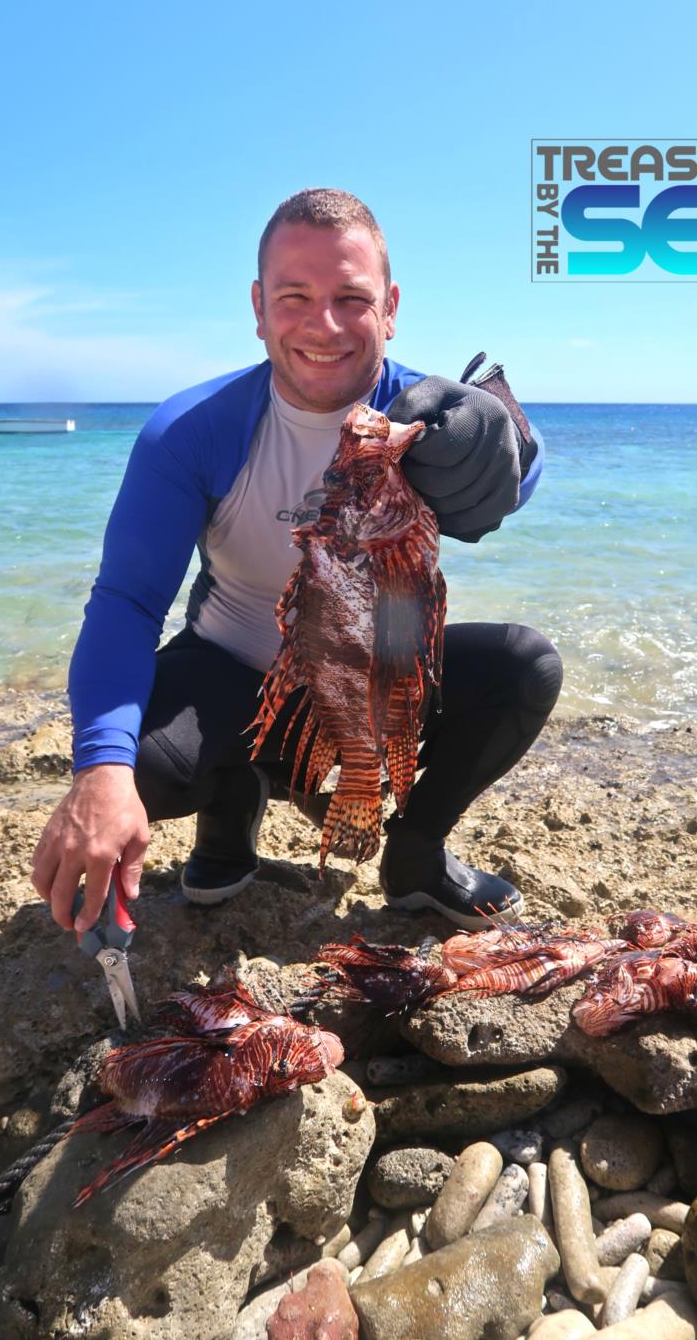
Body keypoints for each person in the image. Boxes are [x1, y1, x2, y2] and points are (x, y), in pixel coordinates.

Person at [32, 188, 563, 937]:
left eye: (353, 297)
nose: (325, 324)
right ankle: (228, 814)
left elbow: (513, 474)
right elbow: (125, 602)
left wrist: (506, 444)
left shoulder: (422, 421)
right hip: (235, 672)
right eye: (294, 296)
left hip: (375, 685)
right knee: (135, 764)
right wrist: (100, 773)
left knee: (525, 666)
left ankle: (418, 857)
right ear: (257, 306)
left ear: (391, 306)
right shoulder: (193, 430)